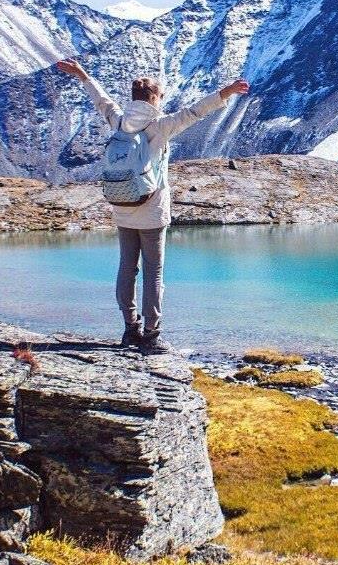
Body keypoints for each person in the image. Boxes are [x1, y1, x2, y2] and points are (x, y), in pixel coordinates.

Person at [56, 58, 249, 354]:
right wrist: (226, 92)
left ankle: (129, 328)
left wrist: (82, 75)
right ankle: (151, 335)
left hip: (122, 208)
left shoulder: (118, 121)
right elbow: (195, 112)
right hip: (152, 211)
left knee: (126, 268)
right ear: (155, 99)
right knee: (153, 273)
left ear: (134, 98)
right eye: (160, 96)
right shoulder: (160, 126)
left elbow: (101, 100)